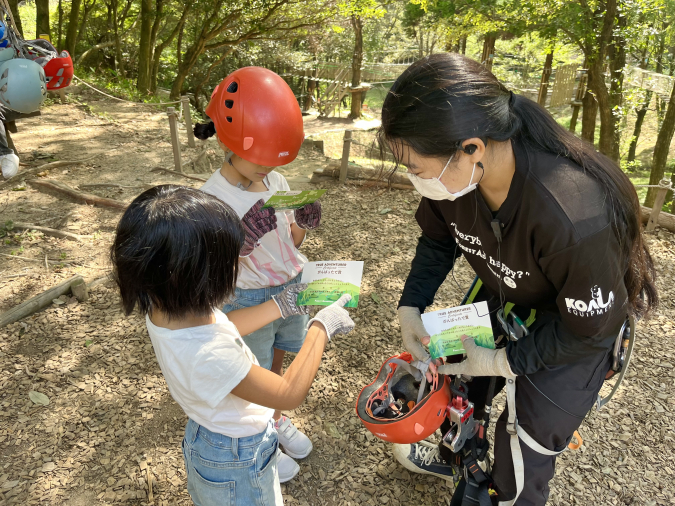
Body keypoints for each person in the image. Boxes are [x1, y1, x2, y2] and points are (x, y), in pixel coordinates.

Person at [380, 53, 658, 505]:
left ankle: (509, 495)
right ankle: (464, 471)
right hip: (504, 291)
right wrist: (411, 305)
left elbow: (589, 330)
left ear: (471, 148)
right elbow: (437, 240)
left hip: (576, 329)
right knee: (454, 382)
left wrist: (501, 361)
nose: (415, 179)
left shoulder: (571, 213)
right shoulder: (457, 183)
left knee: (525, 436)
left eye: (416, 167)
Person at [110, 185, 355, 506]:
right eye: (230, 263)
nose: (237, 268)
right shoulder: (211, 352)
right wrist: (323, 325)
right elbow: (288, 393)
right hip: (237, 455)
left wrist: (280, 305)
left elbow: (225, 324)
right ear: (199, 277)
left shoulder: (164, 304)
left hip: (207, 435)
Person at [194, 67, 322, 482]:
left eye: (274, 162)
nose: (267, 170)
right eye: (260, 160)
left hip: (291, 285)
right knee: (255, 366)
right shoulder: (211, 199)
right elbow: (216, 274)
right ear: (231, 142)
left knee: (281, 355)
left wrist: (303, 220)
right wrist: (243, 242)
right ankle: (260, 433)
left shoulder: (275, 177)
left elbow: (292, 243)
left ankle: (276, 416)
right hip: (248, 296)